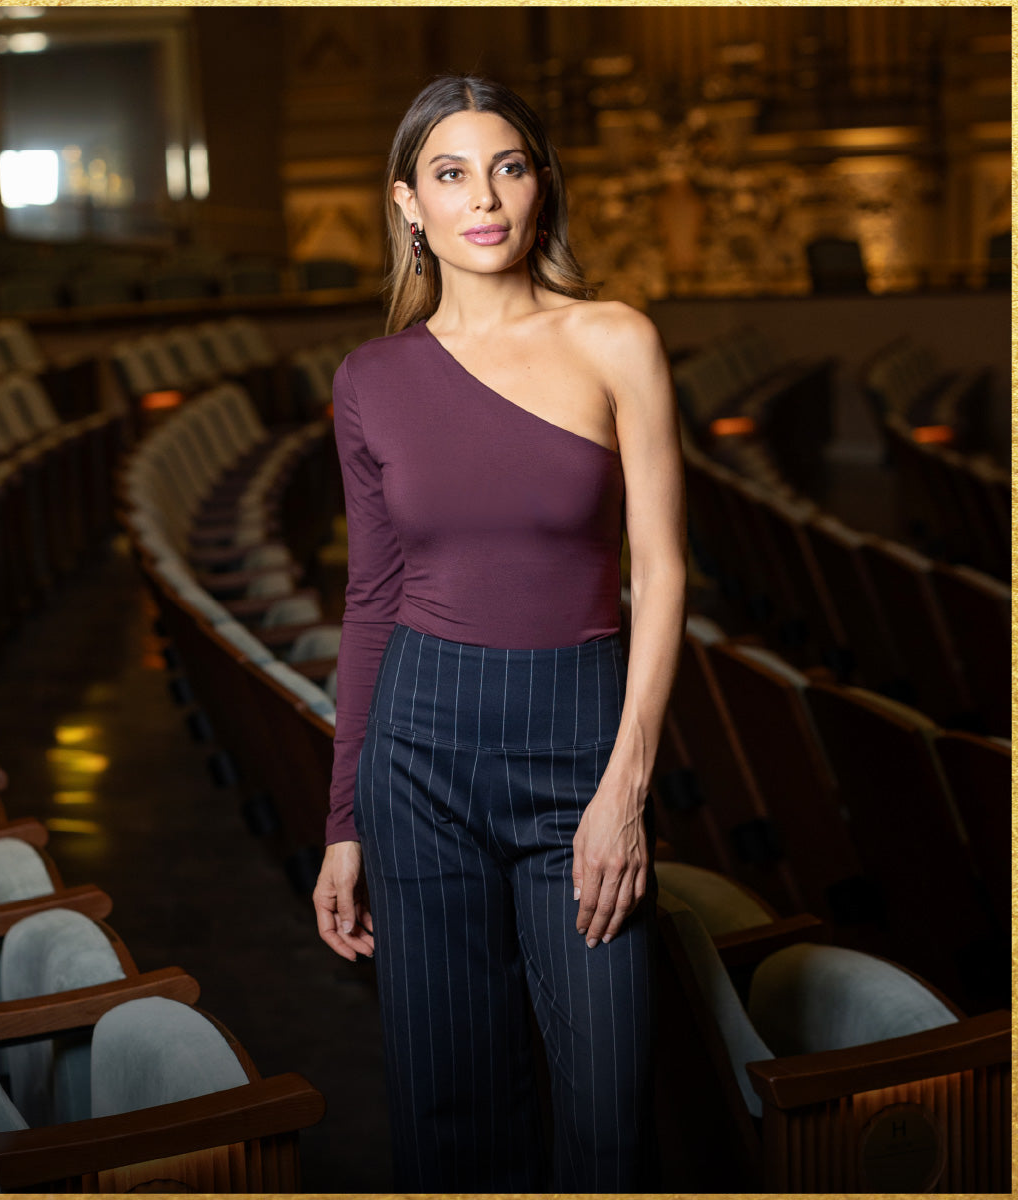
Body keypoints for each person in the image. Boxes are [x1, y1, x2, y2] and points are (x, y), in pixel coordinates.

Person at [312, 73, 686, 1192]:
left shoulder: (615, 338)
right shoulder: (370, 379)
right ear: (407, 205)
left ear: (541, 188)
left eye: (509, 167)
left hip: (580, 735)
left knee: (611, 1110)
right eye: (452, 172)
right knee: (448, 1107)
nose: (486, 197)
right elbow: (371, 599)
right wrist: (342, 823)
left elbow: (661, 572)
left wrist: (626, 788)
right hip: (417, 751)